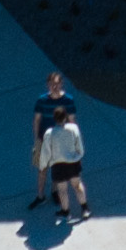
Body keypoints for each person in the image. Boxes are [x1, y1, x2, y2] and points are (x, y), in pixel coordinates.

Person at [33, 75, 88, 219]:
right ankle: (41, 196)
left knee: (59, 175)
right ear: (47, 85)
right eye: (52, 84)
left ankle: (56, 194)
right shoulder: (42, 100)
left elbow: (73, 121)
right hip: (43, 140)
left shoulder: (68, 100)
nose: (54, 87)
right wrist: (36, 140)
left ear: (61, 84)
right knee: (42, 169)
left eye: (57, 84)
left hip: (60, 144)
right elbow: (37, 120)